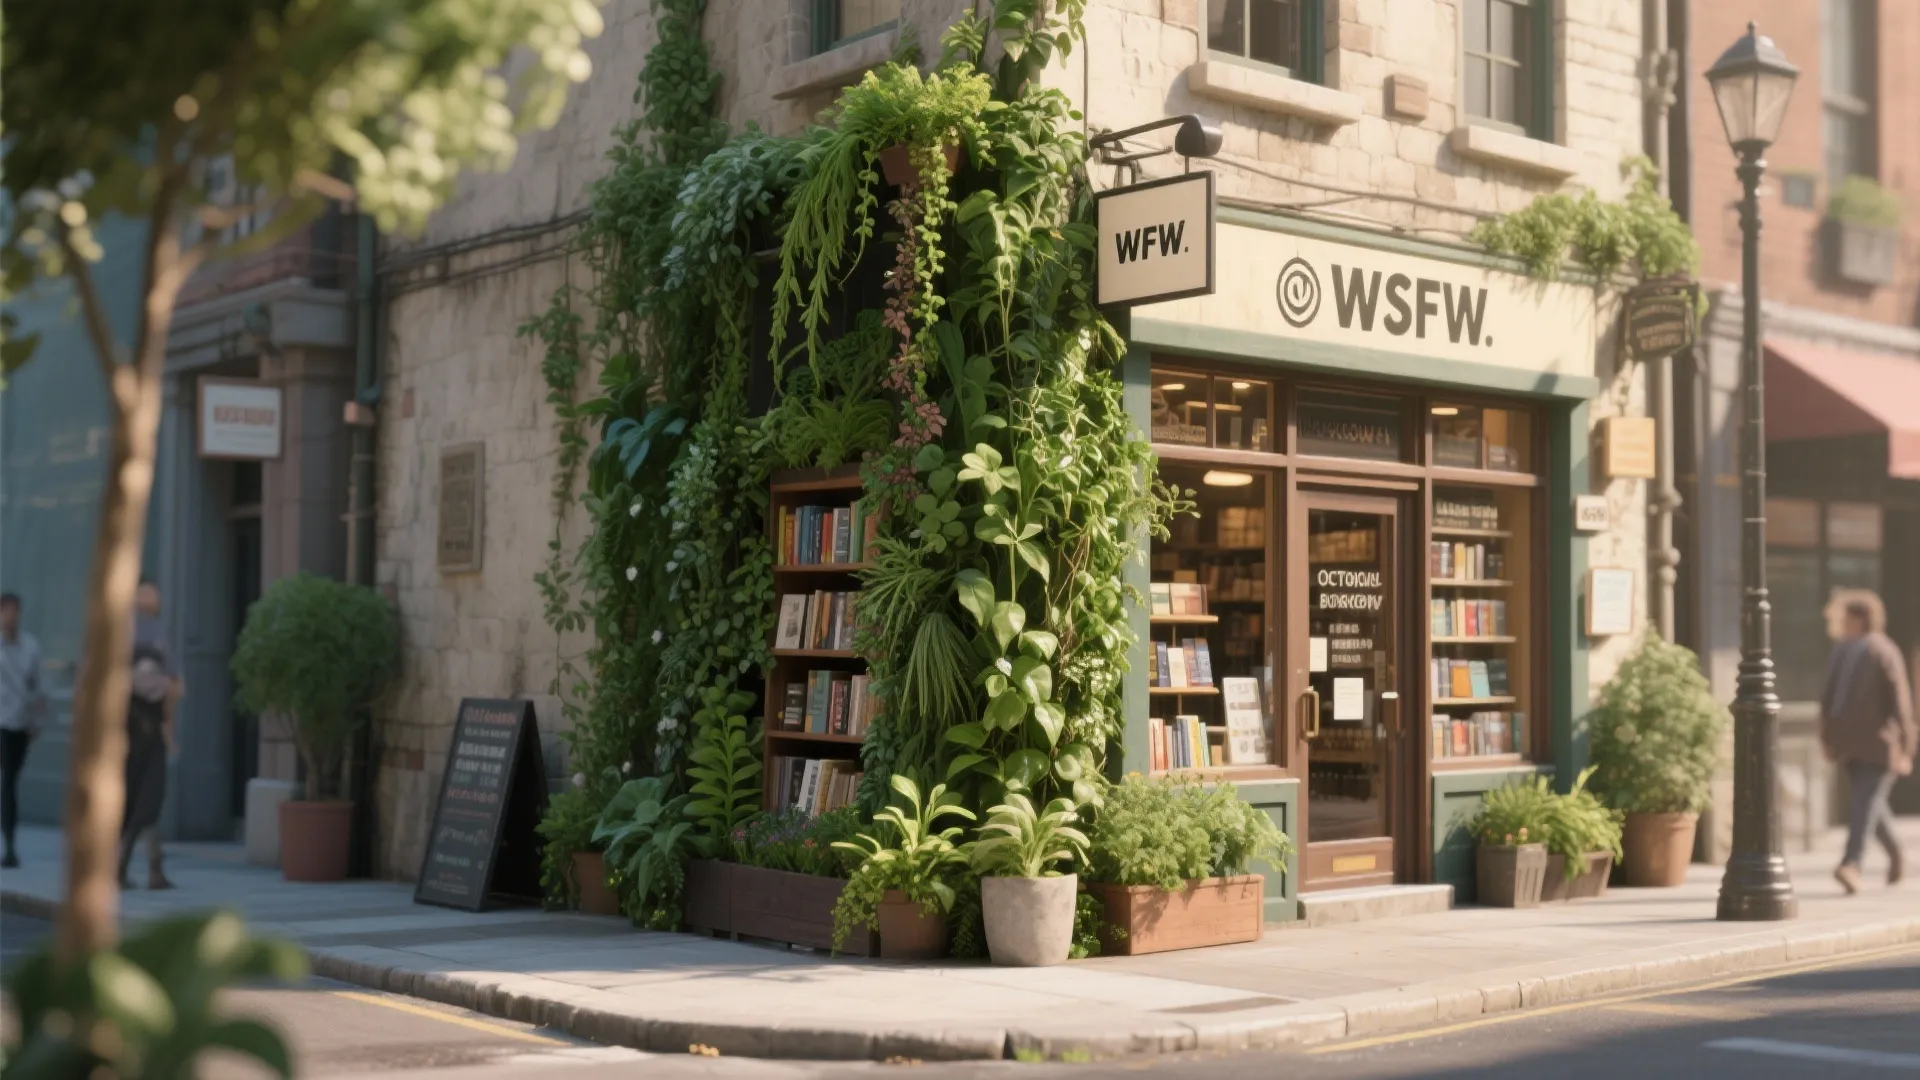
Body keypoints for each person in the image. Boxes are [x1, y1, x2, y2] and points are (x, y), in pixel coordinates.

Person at [1819, 594, 1916, 894]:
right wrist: (1827, 738)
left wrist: (1907, 747)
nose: (1840, 623)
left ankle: (1851, 863)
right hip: (1849, 745)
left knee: (1864, 802)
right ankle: (1897, 854)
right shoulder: (1841, 651)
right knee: (1870, 803)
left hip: (1879, 744)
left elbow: (1901, 703)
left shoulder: (1883, 650)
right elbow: (1827, 697)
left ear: (1860, 618)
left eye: (1845, 617)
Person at [119, 580, 181, 890]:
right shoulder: (121, 632)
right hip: (128, 728)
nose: (149, 599)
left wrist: (169, 731)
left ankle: (150, 868)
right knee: (135, 802)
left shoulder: (160, 634)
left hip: (152, 729)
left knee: (150, 799)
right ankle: (132, 868)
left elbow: (175, 687)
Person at [1, 592, 46, 868]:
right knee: (6, 783)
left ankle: (10, 846)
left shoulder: (30, 646)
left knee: (10, 783)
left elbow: (38, 685)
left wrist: (37, 721)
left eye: (14, 611)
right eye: (5, 611)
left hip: (19, 722)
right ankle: (9, 848)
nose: (10, 616)